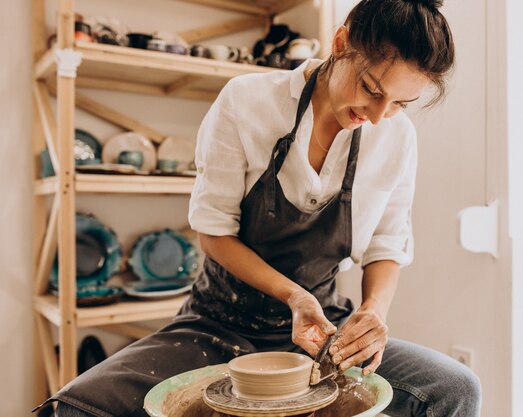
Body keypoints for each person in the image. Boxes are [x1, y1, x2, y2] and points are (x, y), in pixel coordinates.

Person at [41, 0, 481, 416]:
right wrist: (293, 296)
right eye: (371, 89)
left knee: (455, 388)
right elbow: (213, 232)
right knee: (73, 407)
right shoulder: (248, 101)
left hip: (321, 333)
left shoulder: (397, 137)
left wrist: (372, 312)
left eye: (400, 104)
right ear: (341, 44)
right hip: (218, 325)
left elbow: (387, 243)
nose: (380, 115)